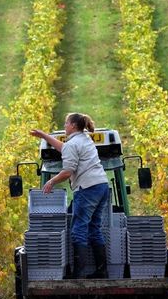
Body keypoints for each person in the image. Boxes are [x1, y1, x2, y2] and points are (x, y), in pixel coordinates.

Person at [30, 113, 110, 279]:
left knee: (78, 229)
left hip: (87, 188)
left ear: (73, 125)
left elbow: (68, 171)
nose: (64, 125)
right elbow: (63, 147)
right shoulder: (85, 139)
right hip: (102, 185)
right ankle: (102, 271)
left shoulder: (73, 144)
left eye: (66, 123)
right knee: (94, 228)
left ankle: (77, 274)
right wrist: (44, 136)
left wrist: (51, 181)